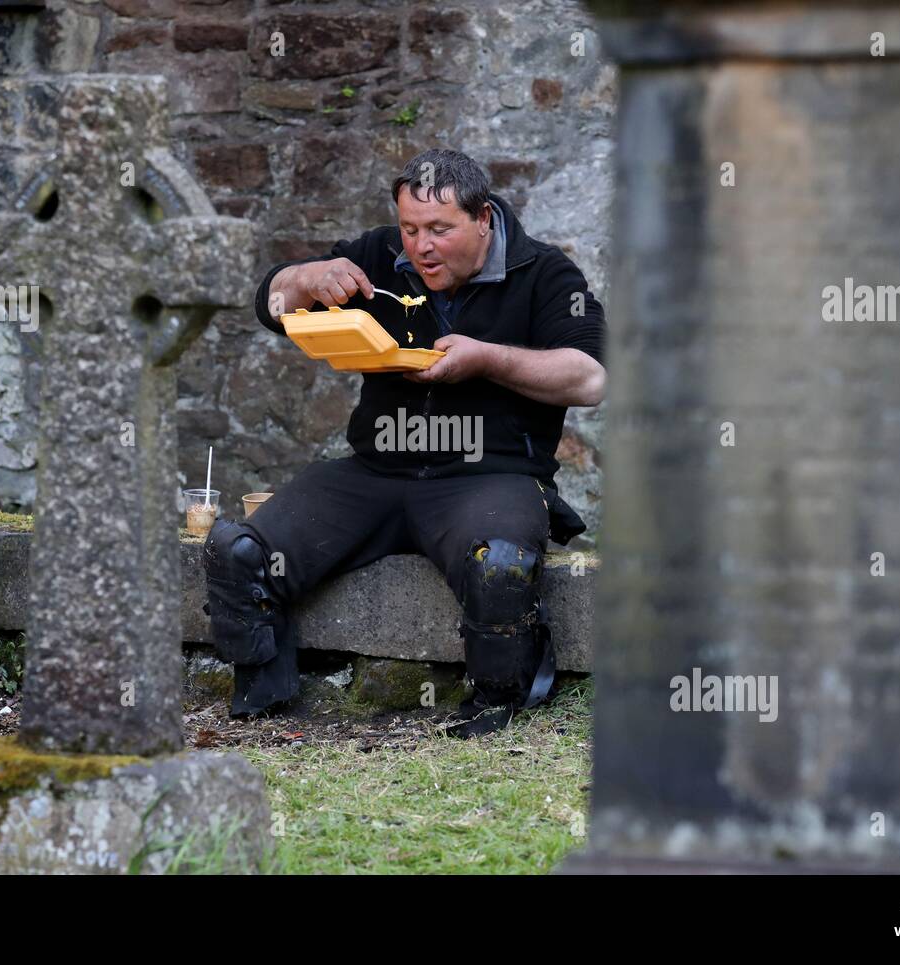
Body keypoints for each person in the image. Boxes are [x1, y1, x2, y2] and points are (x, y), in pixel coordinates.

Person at [204, 148, 606, 737]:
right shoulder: (377, 257)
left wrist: (487, 359)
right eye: (411, 229)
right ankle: (265, 692)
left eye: (440, 229)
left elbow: (590, 377)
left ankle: (498, 700)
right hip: (376, 471)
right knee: (236, 549)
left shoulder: (545, 274)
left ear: (483, 220)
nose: (421, 246)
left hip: (488, 475)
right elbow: (271, 304)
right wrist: (303, 279)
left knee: (498, 567)